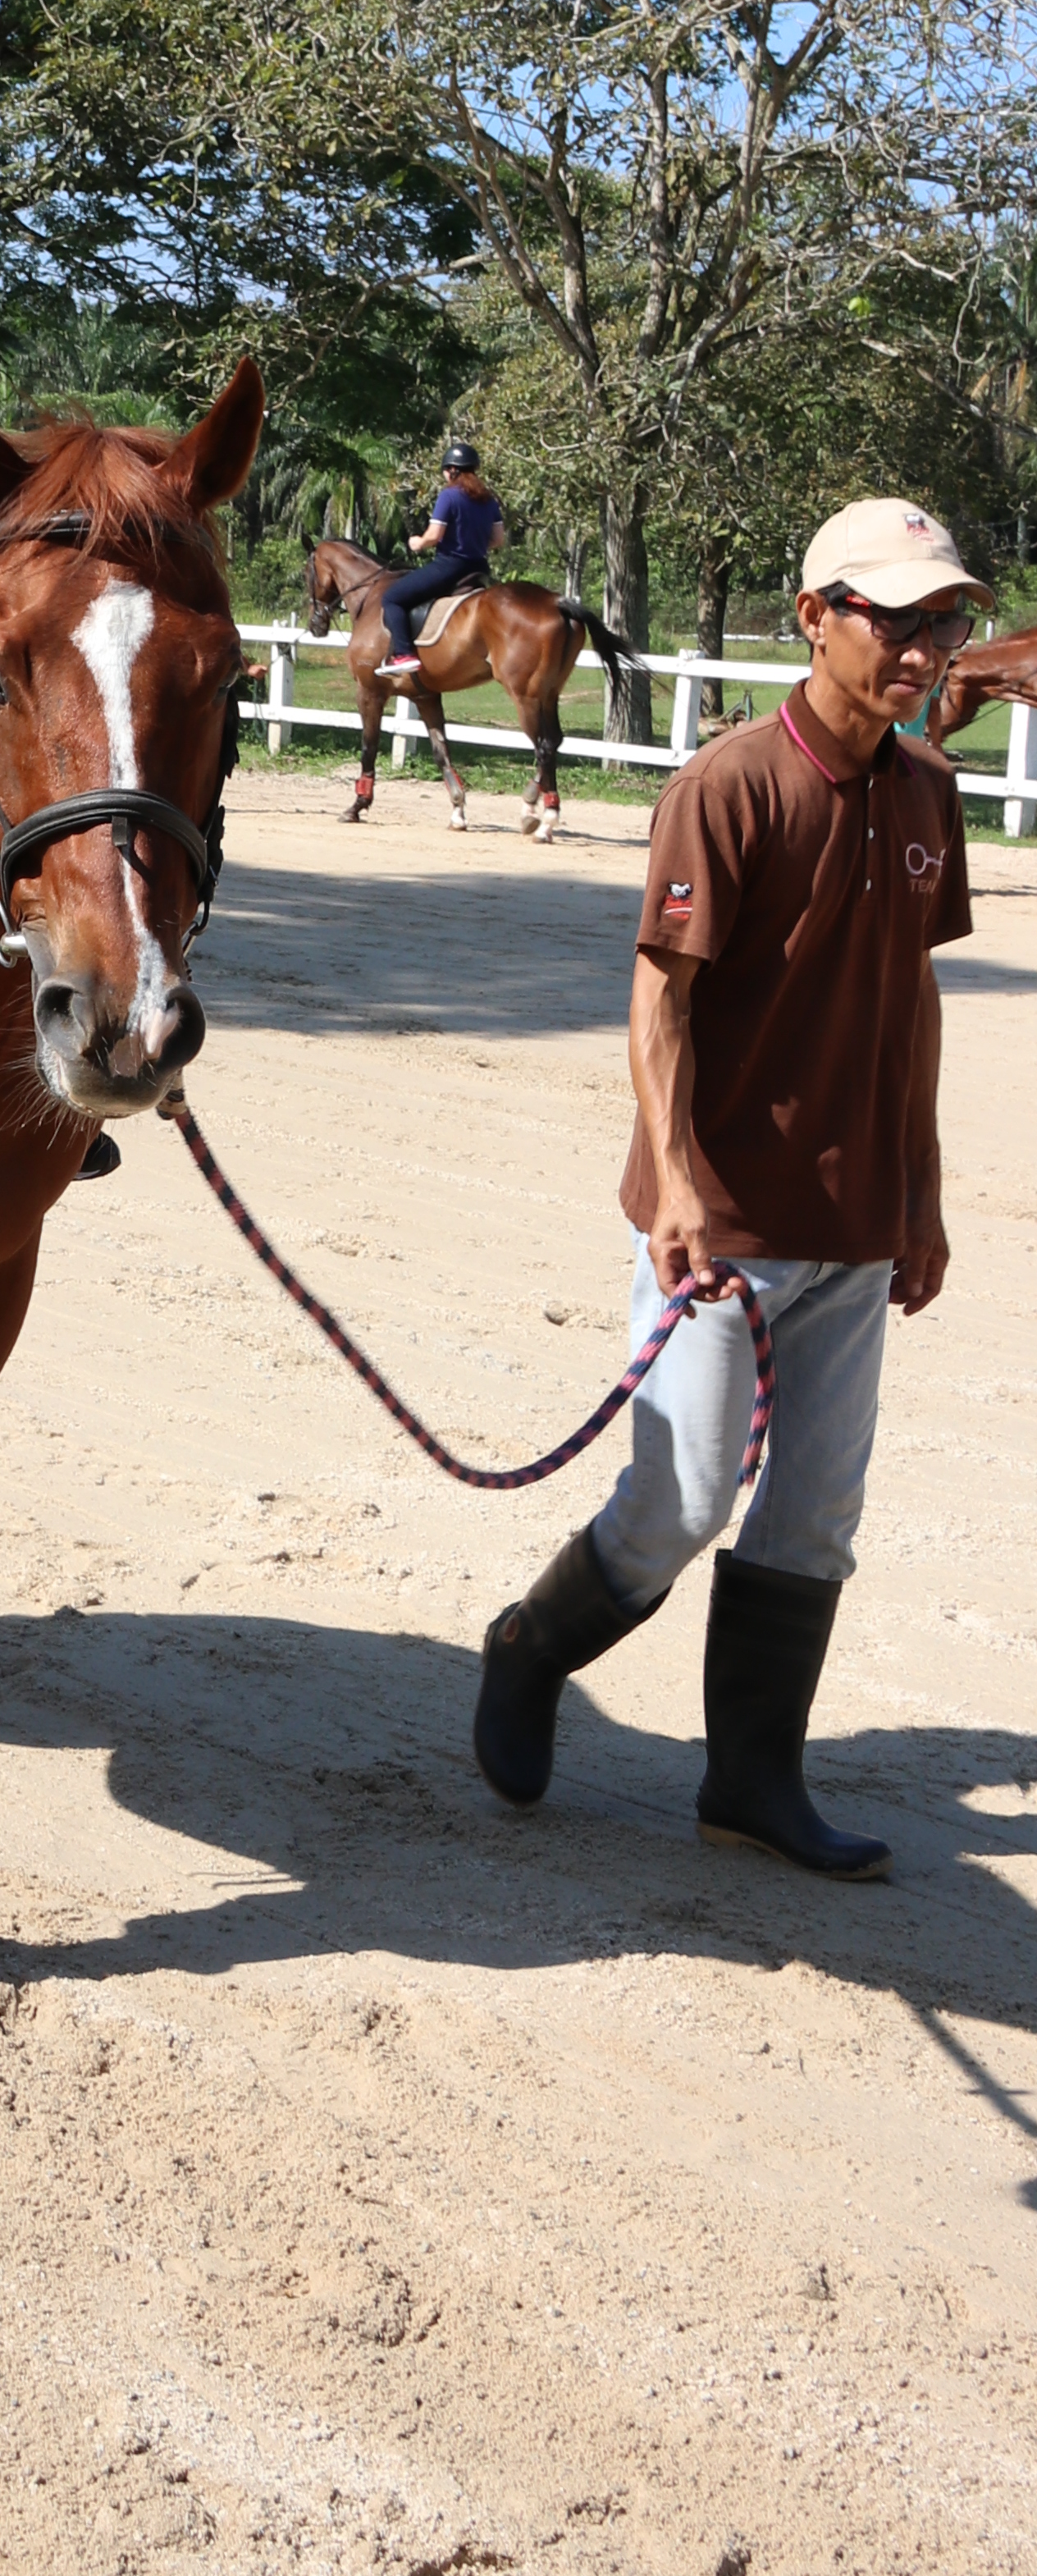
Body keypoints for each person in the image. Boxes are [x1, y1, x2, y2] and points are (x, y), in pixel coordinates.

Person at [471, 495, 980, 1878]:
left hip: (856, 1220)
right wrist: (679, 1182)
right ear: (816, 618)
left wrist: (922, 1194)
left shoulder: (932, 795)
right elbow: (661, 1003)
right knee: (683, 1499)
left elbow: (912, 1002)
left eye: (945, 621)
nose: (927, 649)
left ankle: (750, 1783)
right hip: (722, 1221)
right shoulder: (729, 786)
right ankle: (530, 1647)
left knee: (815, 1509)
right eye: (896, 618)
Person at [376, 436, 506, 682]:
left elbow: (435, 536)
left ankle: (404, 654)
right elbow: (498, 540)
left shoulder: (449, 496)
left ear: (452, 471)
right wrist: (474, 541)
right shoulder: (488, 500)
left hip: (450, 567)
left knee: (392, 598)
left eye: (447, 470)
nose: (446, 474)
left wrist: (418, 543)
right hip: (479, 568)